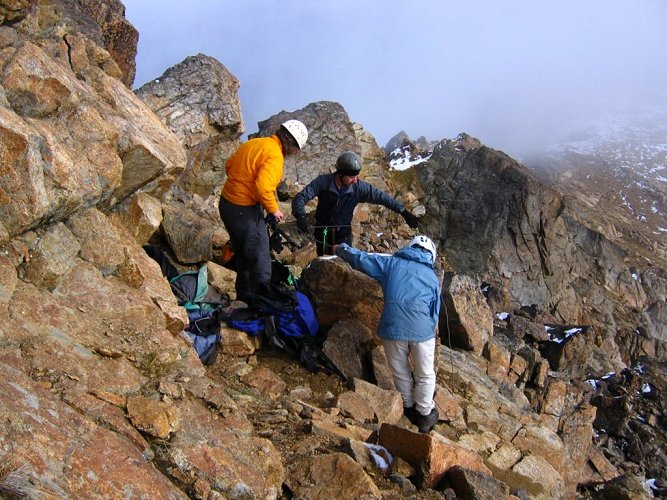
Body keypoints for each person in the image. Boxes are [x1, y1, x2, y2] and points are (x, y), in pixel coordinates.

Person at [333, 235, 441, 433]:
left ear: (410, 247)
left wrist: (341, 249)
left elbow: (362, 259)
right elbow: (435, 311)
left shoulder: (391, 263)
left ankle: (407, 407)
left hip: (393, 325)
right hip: (422, 328)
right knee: (425, 373)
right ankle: (425, 414)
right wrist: (429, 329)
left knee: (400, 371)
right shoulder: (432, 277)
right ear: (431, 255)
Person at [219, 119, 308, 302]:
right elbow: (263, 188)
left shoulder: (255, 143)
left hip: (226, 204)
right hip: (243, 210)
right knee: (260, 257)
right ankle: (261, 302)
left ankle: (244, 297)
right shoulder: (275, 156)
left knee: (243, 253)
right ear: (292, 146)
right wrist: (274, 210)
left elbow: (229, 165)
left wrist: (241, 184)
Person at [292, 151, 420, 256]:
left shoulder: (359, 188)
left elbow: (382, 197)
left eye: (356, 177)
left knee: (342, 265)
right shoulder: (323, 182)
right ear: (340, 174)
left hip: (343, 235)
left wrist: (403, 211)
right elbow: (301, 197)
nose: (355, 180)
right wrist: (300, 215)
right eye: (352, 177)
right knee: (322, 263)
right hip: (322, 232)